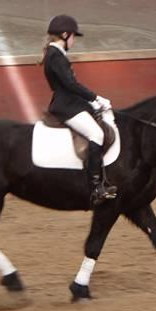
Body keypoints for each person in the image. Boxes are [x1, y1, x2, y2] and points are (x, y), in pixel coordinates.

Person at [41, 14, 117, 206]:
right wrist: (95, 98)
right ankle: (94, 187)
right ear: (65, 35)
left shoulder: (57, 54)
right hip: (65, 106)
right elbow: (70, 84)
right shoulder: (55, 55)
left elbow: (71, 86)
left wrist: (91, 103)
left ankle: (103, 178)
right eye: (73, 36)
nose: (74, 40)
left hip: (72, 103)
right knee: (96, 135)